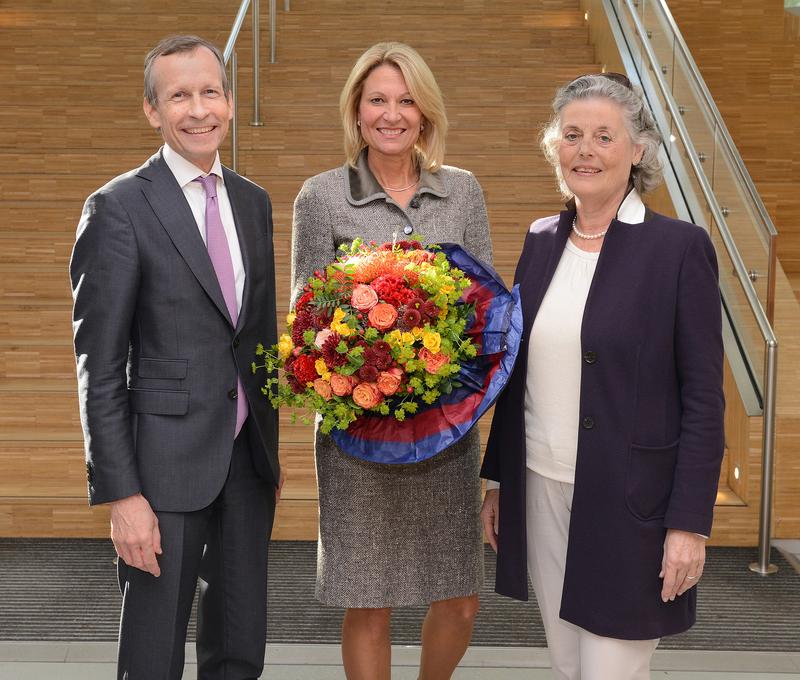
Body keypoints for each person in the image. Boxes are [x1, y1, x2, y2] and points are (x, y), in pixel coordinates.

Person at [480, 73, 725, 680]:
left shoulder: (678, 248)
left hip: (632, 502)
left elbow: (703, 399)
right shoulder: (541, 241)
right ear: (554, 148)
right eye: (572, 135)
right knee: (568, 665)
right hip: (540, 487)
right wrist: (497, 481)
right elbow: (518, 372)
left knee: (610, 670)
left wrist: (689, 524)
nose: (585, 149)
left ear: (637, 149)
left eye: (603, 136)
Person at [70, 35, 281, 680]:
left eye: (210, 92)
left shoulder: (253, 202)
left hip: (248, 461)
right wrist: (123, 495)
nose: (199, 109)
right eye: (179, 95)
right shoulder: (118, 207)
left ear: (230, 101)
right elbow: (99, 367)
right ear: (152, 111)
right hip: (161, 473)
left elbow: (255, 337)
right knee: (154, 652)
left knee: (241, 648)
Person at [290, 42, 492, 680]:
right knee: (368, 600)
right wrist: (354, 373)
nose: (392, 114)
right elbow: (306, 324)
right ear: (356, 109)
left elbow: (484, 307)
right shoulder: (320, 197)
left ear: (426, 113)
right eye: (377, 99)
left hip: (446, 435)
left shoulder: (462, 191)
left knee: (459, 600)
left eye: (406, 100)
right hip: (359, 436)